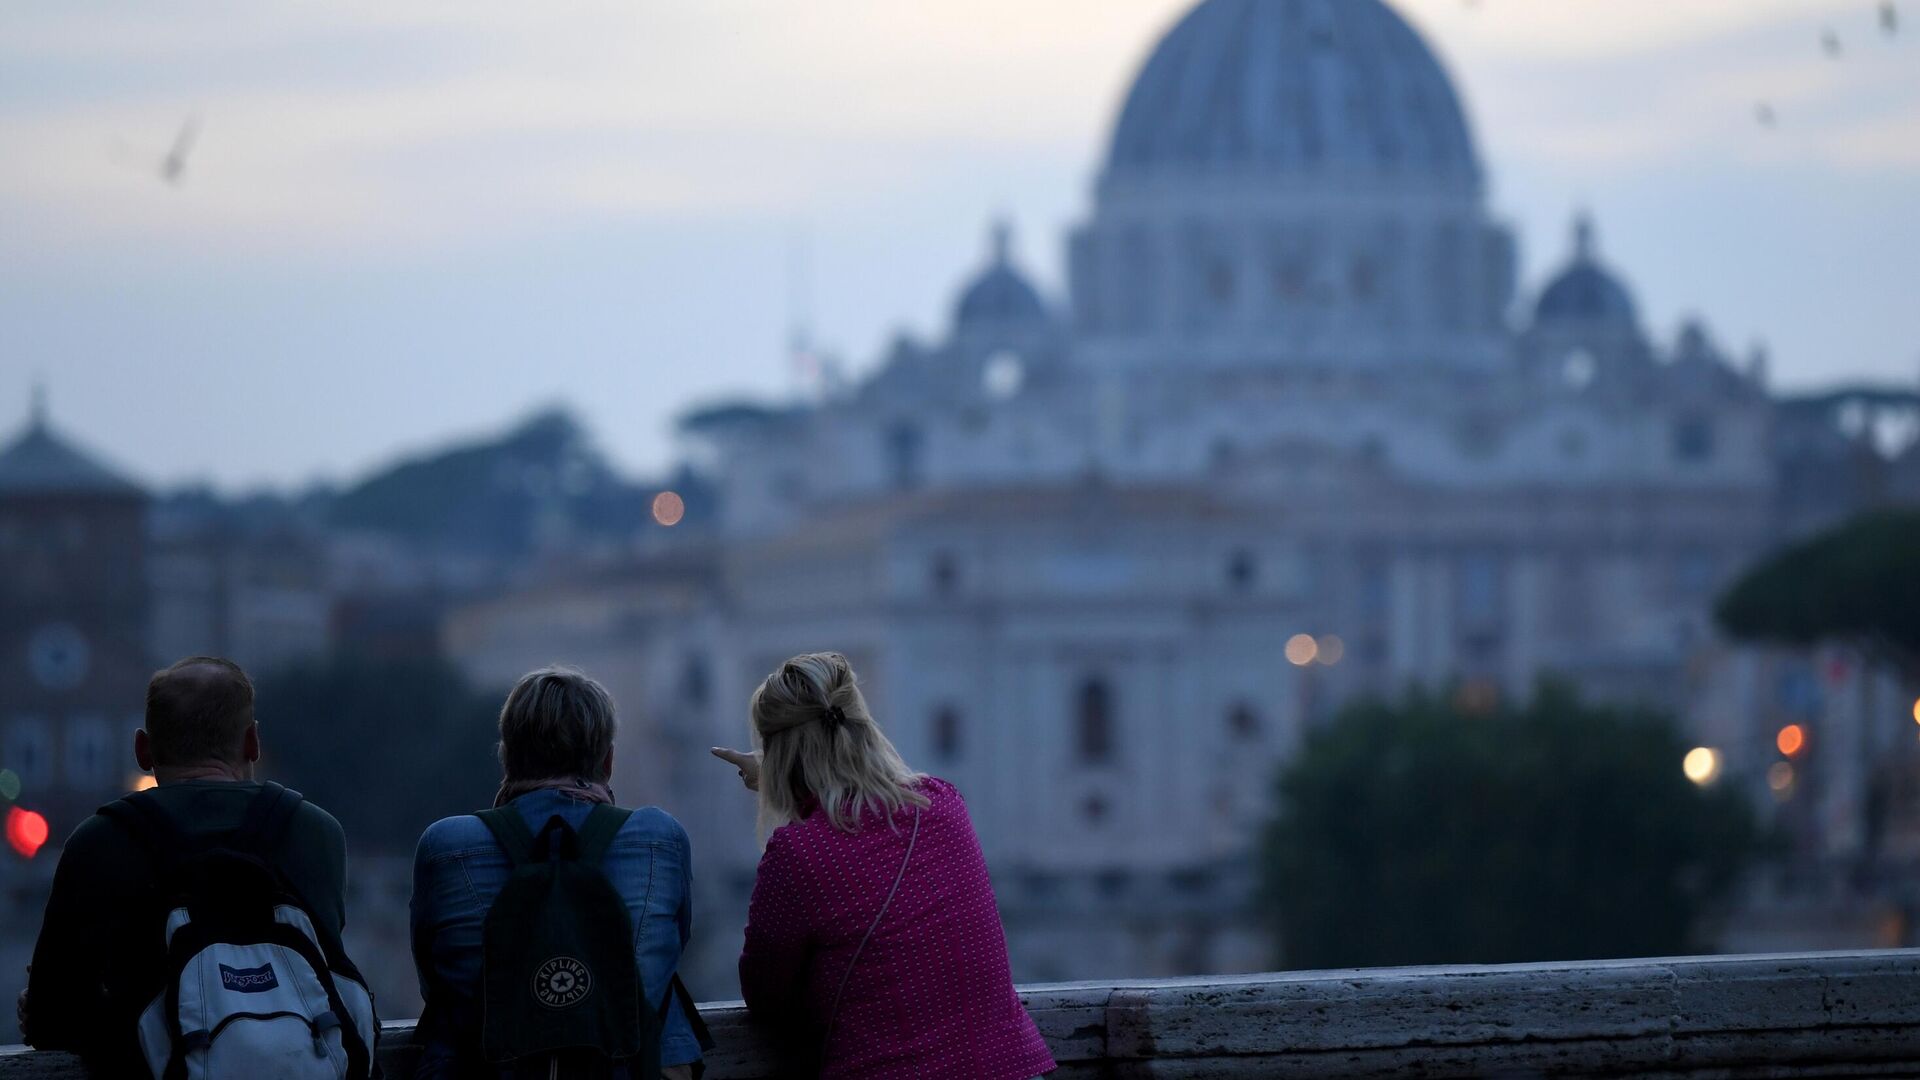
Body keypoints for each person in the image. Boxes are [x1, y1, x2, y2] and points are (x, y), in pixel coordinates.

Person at [711, 652, 1056, 1080]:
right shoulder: (943, 802)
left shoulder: (798, 853)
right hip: (1010, 1068)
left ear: (778, 753)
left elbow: (766, 994)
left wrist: (781, 785)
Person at [19, 656, 358, 1076]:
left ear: (143, 750)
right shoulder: (317, 833)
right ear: (252, 743)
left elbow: (49, 1019)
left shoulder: (97, 842)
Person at [411, 665, 705, 1080]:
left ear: (507, 756)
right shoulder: (660, 838)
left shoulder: (445, 846)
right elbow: (676, 944)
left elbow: (433, 979)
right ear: (608, 760)